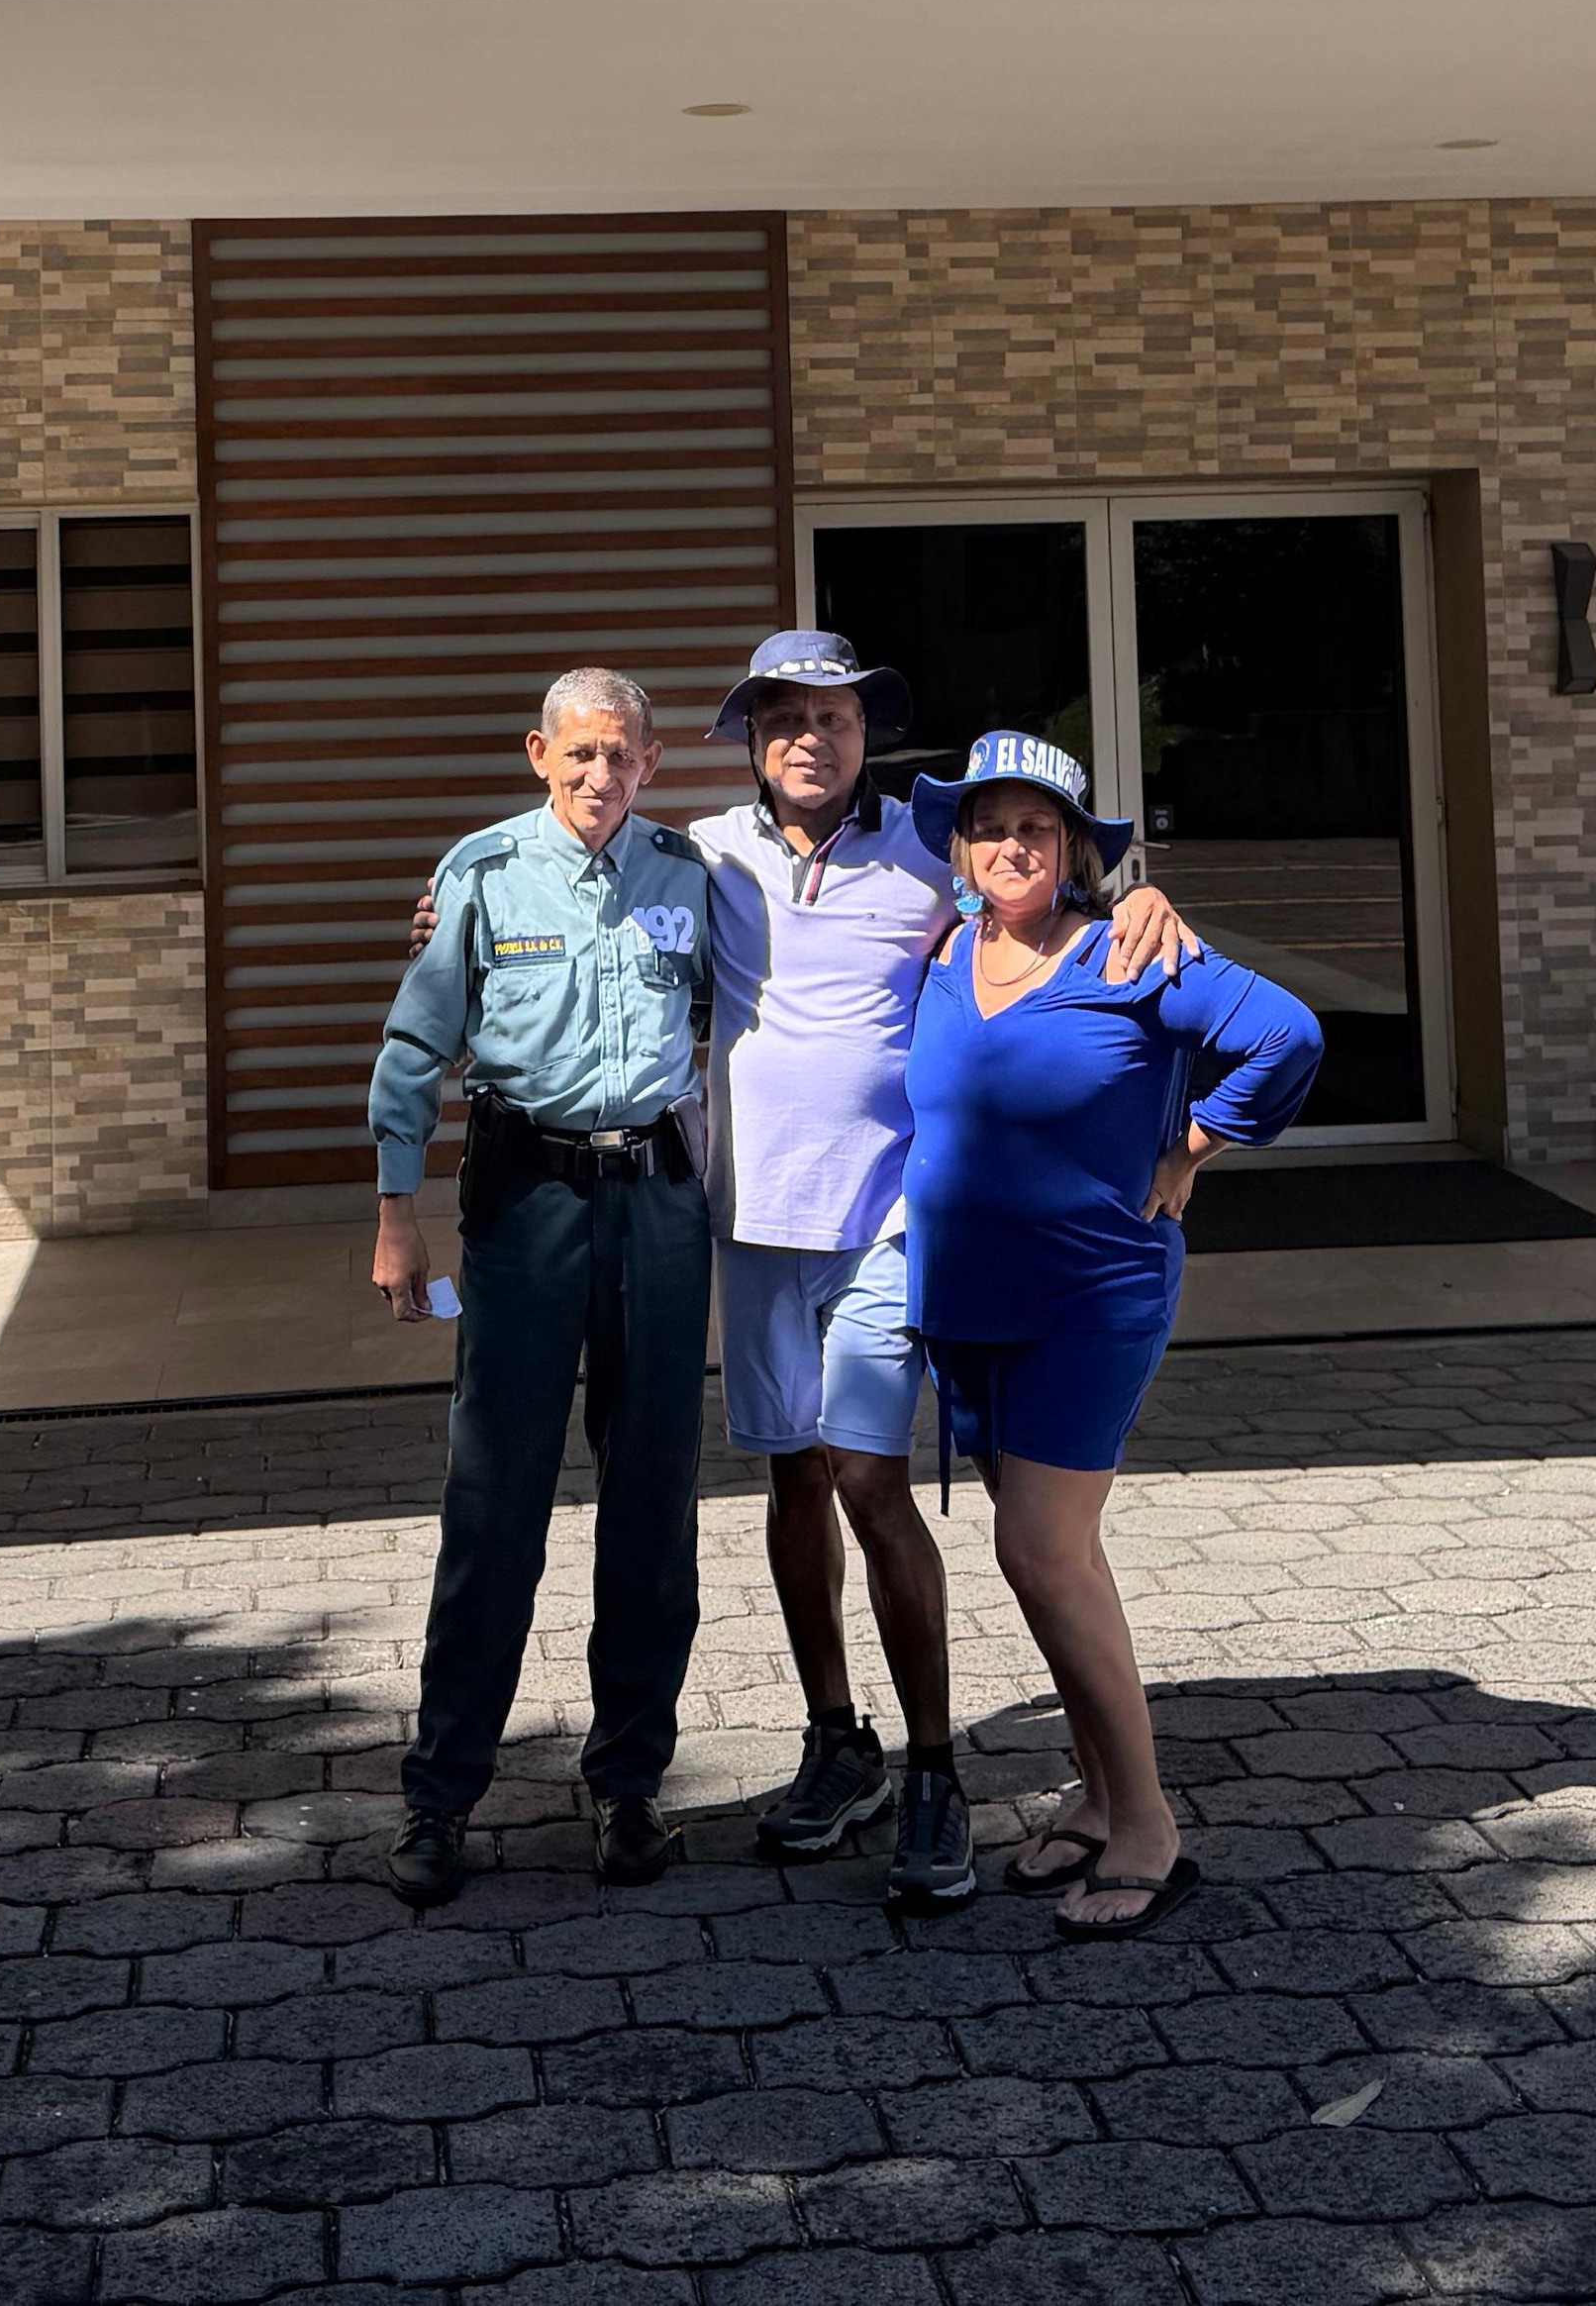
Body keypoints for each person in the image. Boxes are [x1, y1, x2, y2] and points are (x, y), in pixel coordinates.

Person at [683, 632, 1195, 1907]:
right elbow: (591, 903)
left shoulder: (927, 851)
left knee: (867, 1477)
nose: (811, 737)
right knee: (791, 1480)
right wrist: (451, 916)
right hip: (753, 1220)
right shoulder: (702, 853)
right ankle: (836, 1740)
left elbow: (1040, 905)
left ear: (865, 735)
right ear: (752, 737)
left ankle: (930, 1769)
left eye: (835, 717)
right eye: (785, 717)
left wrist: (1137, 900)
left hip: (887, 1222)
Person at [902, 727, 1322, 1937]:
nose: (1010, 846)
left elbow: (1287, 1035)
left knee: (1039, 1551)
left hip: (1089, 1297)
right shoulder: (941, 952)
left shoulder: (1127, 947)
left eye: (1036, 828)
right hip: (969, 1300)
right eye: (989, 827)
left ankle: (1145, 1826)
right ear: (960, 848)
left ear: (1074, 849)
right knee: (1052, 1558)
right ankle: (1092, 1797)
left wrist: (1192, 1146)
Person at [366, 667, 715, 1908]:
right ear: (538, 753)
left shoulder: (689, 874)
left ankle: (628, 1785)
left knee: (652, 1504)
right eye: (578, 754)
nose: (598, 776)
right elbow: (414, 1046)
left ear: (650, 763)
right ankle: (439, 1795)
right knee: (494, 1501)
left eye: (620, 756)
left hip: (658, 1207)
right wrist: (395, 1211)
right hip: (523, 1207)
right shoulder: (479, 873)